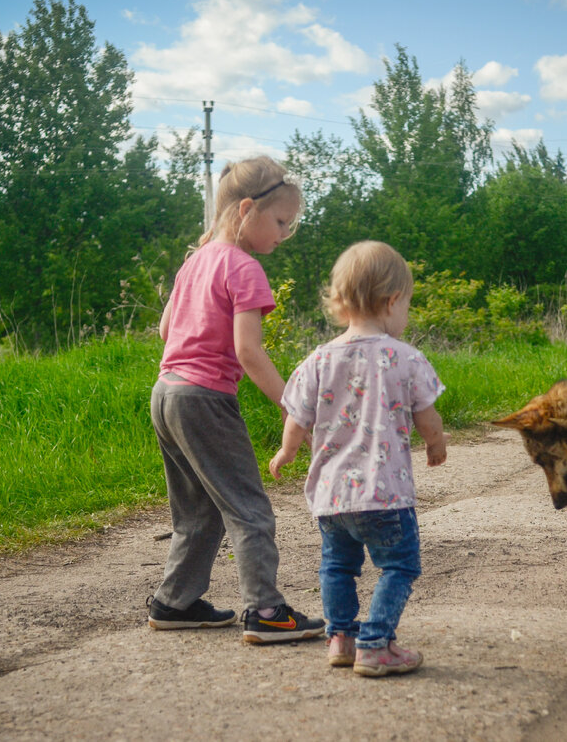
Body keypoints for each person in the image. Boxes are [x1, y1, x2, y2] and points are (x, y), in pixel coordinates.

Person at [146, 155, 325, 645]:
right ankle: (266, 611)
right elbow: (249, 351)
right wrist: (295, 406)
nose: (286, 234)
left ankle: (175, 602)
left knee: (197, 512)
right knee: (249, 510)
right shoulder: (244, 268)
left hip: (167, 395)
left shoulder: (195, 260)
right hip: (205, 399)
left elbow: (165, 330)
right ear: (247, 209)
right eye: (282, 222)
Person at [269, 240, 448, 676]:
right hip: (385, 495)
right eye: (406, 304)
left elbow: (296, 419)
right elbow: (428, 414)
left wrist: (287, 451)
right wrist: (435, 444)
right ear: (391, 302)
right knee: (400, 565)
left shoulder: (317, 359)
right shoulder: (405, 357)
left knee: (336, 566)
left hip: (331, 497)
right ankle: (376, 644)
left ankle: (342, 638)